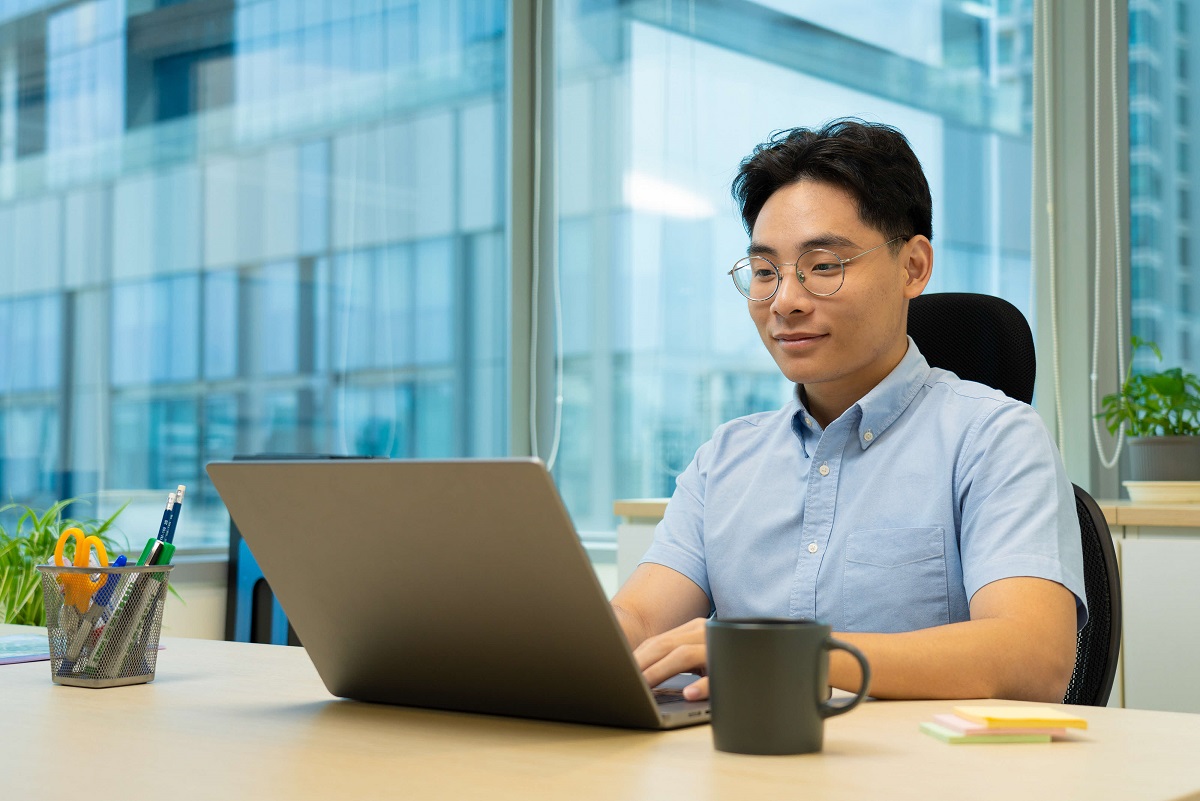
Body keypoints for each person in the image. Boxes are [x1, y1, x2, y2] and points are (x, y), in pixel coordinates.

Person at [611, 119, 1087, 703]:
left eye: (824, 266)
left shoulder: (994, 438)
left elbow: (1032, 658)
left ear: (913, 267)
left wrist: (786, 658)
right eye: (765, 272)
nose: (784, 301)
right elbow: (638, 618)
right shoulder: (725, 458)